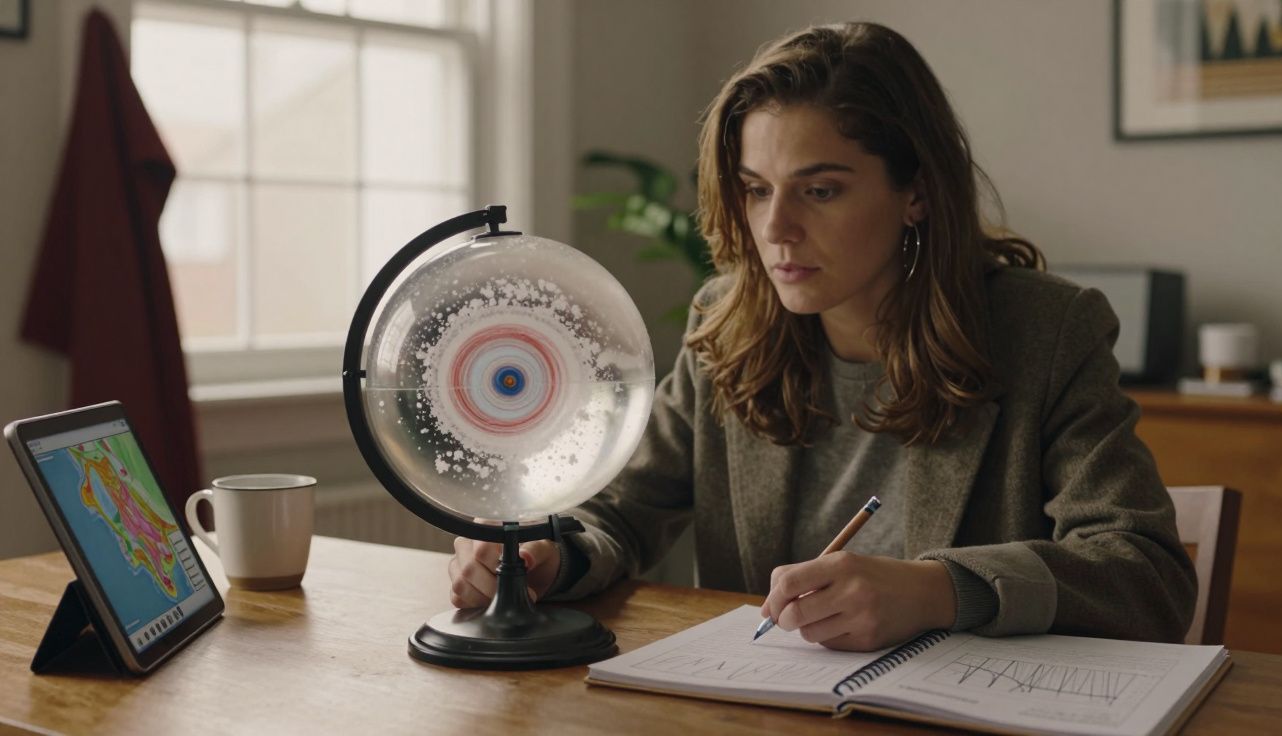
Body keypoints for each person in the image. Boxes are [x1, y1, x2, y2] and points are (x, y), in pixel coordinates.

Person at [448, 21, 1197, 650]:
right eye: (755, 190)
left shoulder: (1044, 332)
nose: (776, 230)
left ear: (917, 193)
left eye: (821, 190)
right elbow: (620, 511)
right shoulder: (728, 322)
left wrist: (941, 591)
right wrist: (552, 555)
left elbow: (1146, 574)